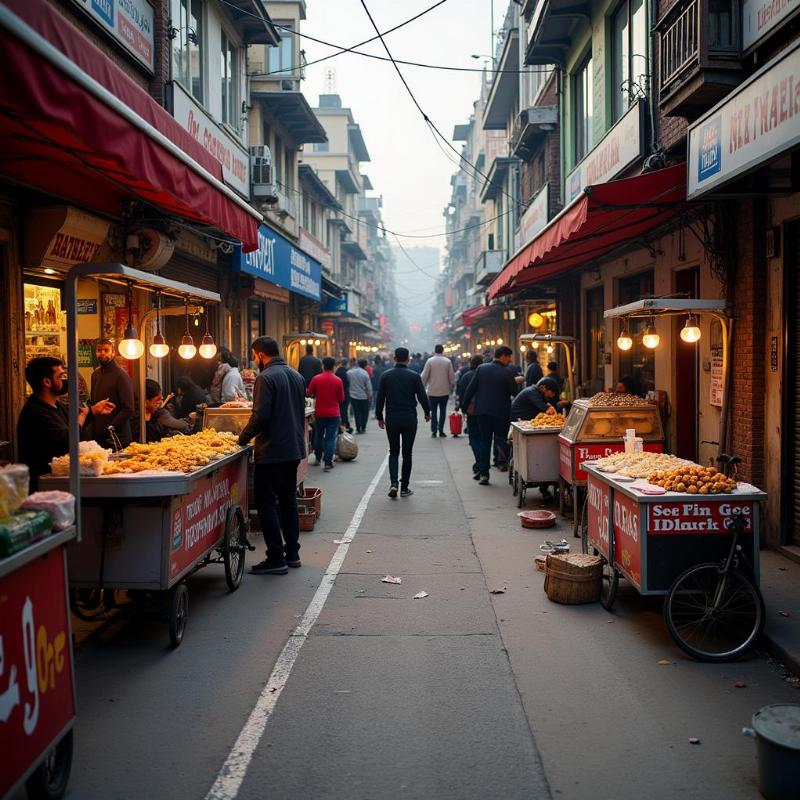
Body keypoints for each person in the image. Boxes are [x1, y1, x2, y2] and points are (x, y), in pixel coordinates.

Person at [238, 336, 306, 575]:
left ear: (259, 355)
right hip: (294, 449)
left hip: (273, 450)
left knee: (266, 502)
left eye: (254, 356)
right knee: (287, 500)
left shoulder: (265, 378)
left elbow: (260, 416)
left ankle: (276, 557)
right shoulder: (296, 376)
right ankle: (293, 553)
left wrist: (242, 438)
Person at [17, 357, 90, 491]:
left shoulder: (57, 405)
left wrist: (92, 412)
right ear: (47, 382)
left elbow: (72, 421)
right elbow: (70, 437)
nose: (66, 379)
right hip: (43, 488)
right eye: (61, 376)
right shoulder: (35, 412)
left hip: (60, 482)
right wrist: (83, 416)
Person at [375, 347, 431, 498]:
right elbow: (422, 396)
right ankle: (404, 487)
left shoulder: (385, 376)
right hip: (409, 418)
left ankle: (394, 483)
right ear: (408, 359)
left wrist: (379, 416)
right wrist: (427, 412)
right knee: (407, 453)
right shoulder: (414, 376)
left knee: (393, 451)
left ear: (394, 358)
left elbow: (380, 398)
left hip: (392, 418)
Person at [461, 345, 519, 486]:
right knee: (501, 439)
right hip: (501, 412)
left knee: (485, 441)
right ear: (503, 356)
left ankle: (484, 474)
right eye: (509, 357)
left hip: (482, 412)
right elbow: (514, 391)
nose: (509, 360)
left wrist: (464, 407)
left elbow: (470, 389)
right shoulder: (507, 372)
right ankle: (504, 465)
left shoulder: (482, 368)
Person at [89, 338, 134, 448]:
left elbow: (128, 408)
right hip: (99, 437)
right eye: (99, 350)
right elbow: (92, 402)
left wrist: (111, 427)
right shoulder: (95, 375)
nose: (102, 353)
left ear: (113, 352)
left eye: (106, 350)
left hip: (118, 437)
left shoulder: (121, 375)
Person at [307, 357, 344, 471]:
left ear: (323, 365)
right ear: (334, 367)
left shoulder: (316, 379)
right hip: (334, 413)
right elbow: (341, 398)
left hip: (320, 413)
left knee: (319, 435)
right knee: (330, 438)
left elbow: (309, 392)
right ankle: (328, 462)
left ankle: (318, 458)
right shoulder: (338, 380)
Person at [455, 355, 483, 479]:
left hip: (472, 410)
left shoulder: (466, 376)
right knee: (484, 438)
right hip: (485, 410)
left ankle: (479, 463)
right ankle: (482, 464)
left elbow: (462, 394)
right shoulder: (484, 376)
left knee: (474, 438)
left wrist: (463, 408)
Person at [420, 344, 456, 437]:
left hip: (432, 391)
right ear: (443, 351)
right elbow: (452, 377)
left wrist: (422, 385)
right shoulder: (447, 361)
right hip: (444, 391)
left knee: (433, 411)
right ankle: (441, 430)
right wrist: (452, 385)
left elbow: (424, 376)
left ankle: (434, 430)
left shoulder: (430, 361)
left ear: (435, 351)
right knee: (443, 411)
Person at [347, 359, 373, 433]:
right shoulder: (365, 373)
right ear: (365, 365)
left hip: (353, 396)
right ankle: (363, 427)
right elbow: (368, 387)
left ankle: (358, 428)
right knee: (365, 412)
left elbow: (347, 383)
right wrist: (370, 396)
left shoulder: (350, 372)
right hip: (364, 396)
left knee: (357, 412)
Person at [335, 358, 353, 433]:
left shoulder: (337, 372)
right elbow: (349, 383)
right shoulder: (347, 372)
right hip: (345, 393)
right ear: (346, 364)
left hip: (337, 394)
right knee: (344, 410)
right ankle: (345, 425)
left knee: (340, 410)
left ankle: (341, 425)